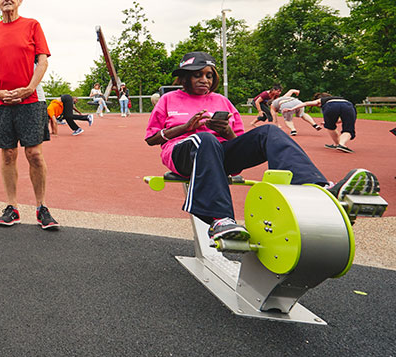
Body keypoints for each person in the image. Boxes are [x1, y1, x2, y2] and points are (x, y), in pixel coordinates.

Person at [145, 51, 380, 243]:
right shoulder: (169, 99)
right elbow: (152, 138)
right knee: (205, 139)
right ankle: (220, 219)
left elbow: (237, 138)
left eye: (208, 75)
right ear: (185, 77)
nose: (204, 80)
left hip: (219, 154)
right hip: (182, 154)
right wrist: (187, 127)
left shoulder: (221, 101)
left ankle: (319, 190)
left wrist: (224, 130)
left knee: (269, 131)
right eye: (197, 75)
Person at [0, 0, 59, 230]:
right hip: (1, 101)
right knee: (8, 154)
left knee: (34, 153)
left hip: (31, 99)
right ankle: (12, 207)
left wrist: (29, 88)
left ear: (19, 0)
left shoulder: (32, 25)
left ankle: (42, 207)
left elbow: (42, 61)